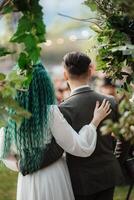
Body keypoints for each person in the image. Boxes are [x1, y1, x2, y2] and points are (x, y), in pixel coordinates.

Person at [0, 63, 111, 200]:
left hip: (28, 181)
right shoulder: (50, 112)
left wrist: (23, 165)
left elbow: (5, 153)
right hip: (53, 176)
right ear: (44, 86)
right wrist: (95, 121)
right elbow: (79, 146)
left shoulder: (12, 116)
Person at [34, 52, 124, 200]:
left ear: (65, 75)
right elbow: (124, 137)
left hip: (79, 179)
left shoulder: (62, 109)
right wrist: (116, 159)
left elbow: (57, 149)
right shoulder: (110, 101)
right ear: (90, 71)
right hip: (108, 173)